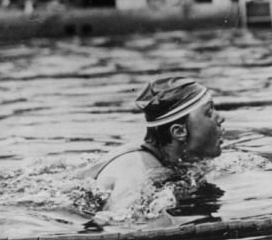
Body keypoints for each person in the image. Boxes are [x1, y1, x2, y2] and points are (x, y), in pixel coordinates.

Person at [79, 77, 225, 213]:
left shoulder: (159, 158)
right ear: (179, 131)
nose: (221, 118)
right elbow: (117, 223)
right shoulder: (138, 171)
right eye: (209, 112)